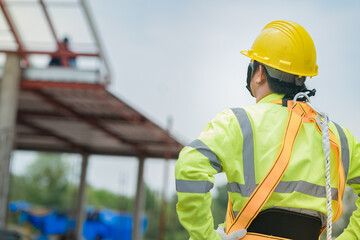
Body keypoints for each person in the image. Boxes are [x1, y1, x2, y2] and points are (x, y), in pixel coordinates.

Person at [175, 20, 360, 240]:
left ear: (259, 72)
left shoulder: (237, 122)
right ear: (303, 77)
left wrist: (205, 237)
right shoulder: (338, 138)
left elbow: (190, 166)